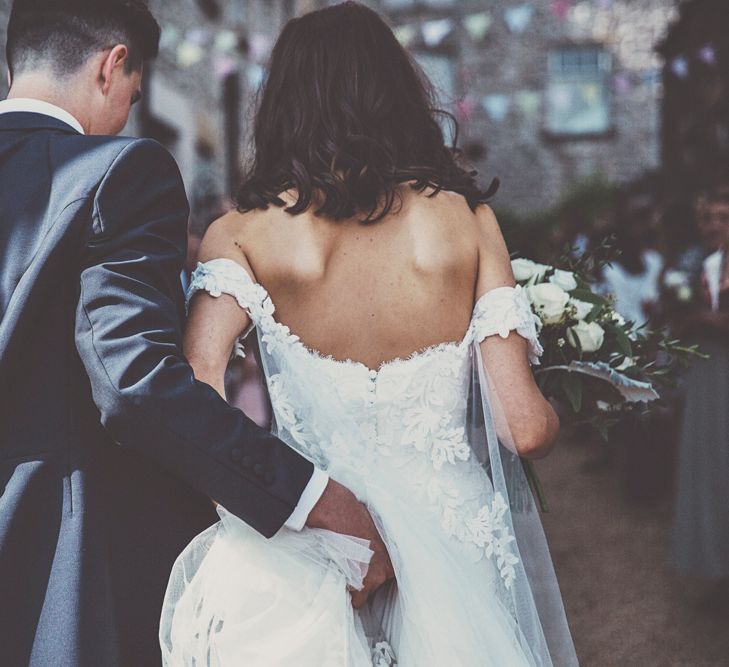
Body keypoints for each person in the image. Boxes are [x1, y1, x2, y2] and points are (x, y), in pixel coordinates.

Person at [160, 3, 577, 665]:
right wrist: (569, 382)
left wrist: (265, 509)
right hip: (453, 543)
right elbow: (523, 429)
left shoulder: (240, 234)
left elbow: (193, 400)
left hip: (316, 540)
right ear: (397, 93)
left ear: (284, 102)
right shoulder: (468, 220)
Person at [0, 2, 389, 665]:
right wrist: (311, 495)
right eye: (133, 93)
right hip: (71, 575)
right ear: (111, 66)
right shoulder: (116, 172)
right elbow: (135, 385)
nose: (125, 112)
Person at [672, 185, 729, 608]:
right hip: (707, 372)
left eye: (723, 217)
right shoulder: (698, 265)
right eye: (707, 217)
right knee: (710, 465)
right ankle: (718, 567)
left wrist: (700, 317)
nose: (713, 225)